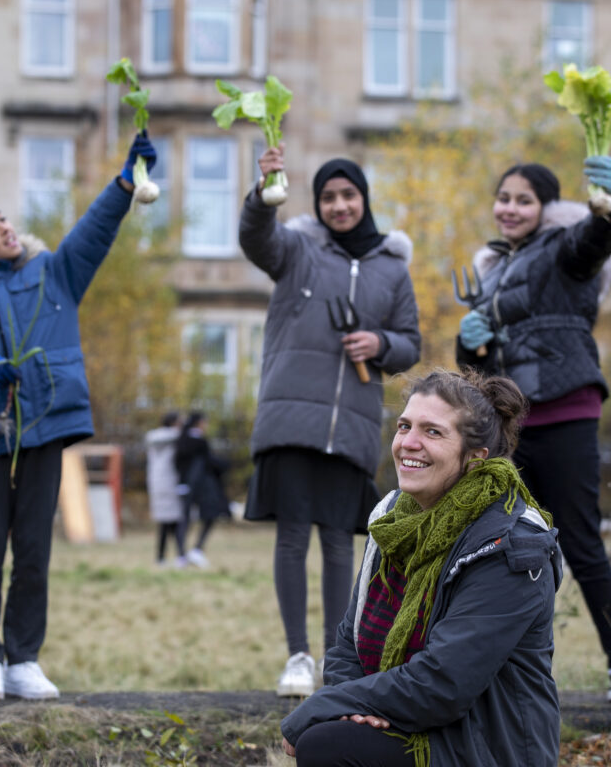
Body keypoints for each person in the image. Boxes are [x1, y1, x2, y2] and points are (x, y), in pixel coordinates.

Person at [0, 132, 157, 701]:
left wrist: (125, 182)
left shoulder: (54, 274)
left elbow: (94, 230)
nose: (4, 227)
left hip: (45, 431)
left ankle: (22, 658)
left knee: (33, 547)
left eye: (1, 218)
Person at [281, 369, 561, 767]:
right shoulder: (394, 520)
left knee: (327, 746)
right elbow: (351, 641)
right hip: (415, 722)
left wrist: (329, 703)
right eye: (404, 426)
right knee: (331, 736)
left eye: (433, 432)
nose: (408, 443)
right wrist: (351, 711)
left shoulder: (510, 546)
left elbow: (443, 683)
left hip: (484, 747)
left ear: (475, 457)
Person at [240, 144, 421, 697]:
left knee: (342, 542)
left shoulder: (393, 268)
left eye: (348, 195)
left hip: (351, 427)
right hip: (292, 417)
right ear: (317, 205)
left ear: (363, 200)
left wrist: (380, 341)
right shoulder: (297, 250)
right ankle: (298, 657)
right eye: (328, 197)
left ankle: (336, 664)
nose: (339, 205)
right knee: (293, 537)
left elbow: (410, 343)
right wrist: (263, 194)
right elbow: (255, 239)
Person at [456, 156, 611, 701]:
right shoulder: (492, 268)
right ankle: (505, 671)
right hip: (512, 424)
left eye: (524, 200)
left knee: (583, 543)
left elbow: (591, 244)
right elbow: (482, 363)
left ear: (545, 208)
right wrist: (468, 339)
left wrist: (605, 213)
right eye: (504, 198)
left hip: (565, 409)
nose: (510, 208)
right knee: (506, 545)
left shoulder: (564, 247)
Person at [174, 410, 230, 568]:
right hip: (200, 486)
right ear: (199, 423)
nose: (206, 425)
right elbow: (209, 461)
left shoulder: (183, 440)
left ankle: (183, 555)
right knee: (206, 516)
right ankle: (193, 551)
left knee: (186, 519)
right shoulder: (197, 442)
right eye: (205, 422)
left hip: (187, 485)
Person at [145, 411, 187, 568]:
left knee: (167, 523)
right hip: (166, 484)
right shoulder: (167, 437)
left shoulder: (158, 438)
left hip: (161, 484)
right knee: (171, 522)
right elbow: (178, 435)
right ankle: (177, 556)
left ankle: (167, 557)